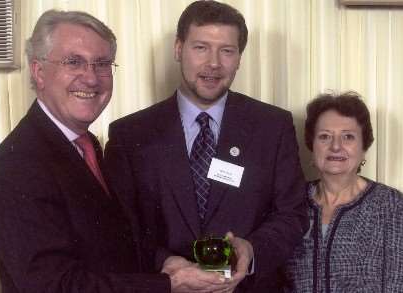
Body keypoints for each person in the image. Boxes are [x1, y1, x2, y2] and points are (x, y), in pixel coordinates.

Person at [105, 1, 308, 292]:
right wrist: (164, 263)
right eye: (201, 47)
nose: (214, 63)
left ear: (239, 58)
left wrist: (251, 251)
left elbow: (293, 214)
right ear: (178, 49)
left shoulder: (272, 127)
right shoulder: (130, 134)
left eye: (226, 51)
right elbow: (121, 227)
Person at [0, 10, 173, 292]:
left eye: (102, 64)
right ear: (39, 72)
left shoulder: (87, 146)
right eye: (74, 62)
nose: (92, 79)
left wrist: (166, 262)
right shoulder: (17, 165)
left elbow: (116, 241)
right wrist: (169, 284)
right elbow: (55, 287)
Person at [282, 92, 403, 292]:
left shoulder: (391, 205)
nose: (336, 146)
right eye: (325, 136)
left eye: (348, 136)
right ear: (311, 146)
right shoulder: (291, 201)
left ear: (364, 147)